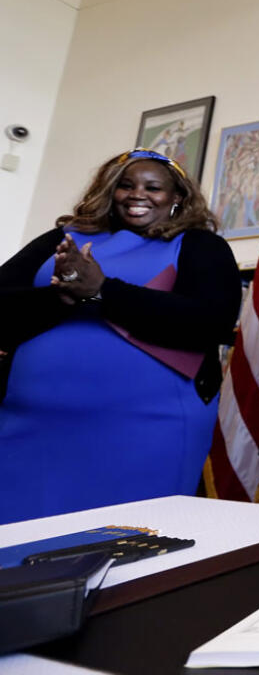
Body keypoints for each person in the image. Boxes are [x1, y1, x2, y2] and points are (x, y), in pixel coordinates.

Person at [0, 148, 240, 523]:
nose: (136, 195)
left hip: (146, 430)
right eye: (125, 186)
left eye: (153, 187)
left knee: (125, 545)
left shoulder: (199, 246)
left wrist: (102, 291)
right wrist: (62, 296)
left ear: (178, 197)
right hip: (31, 425)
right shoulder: (61, 238)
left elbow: (209, 322)